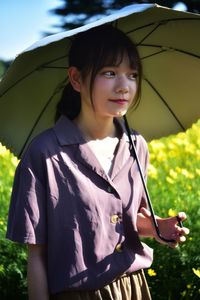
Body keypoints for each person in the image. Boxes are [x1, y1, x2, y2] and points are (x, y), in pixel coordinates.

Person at [6, 25, 189, 300]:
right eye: (110, 73)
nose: (124, 86)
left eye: (132, 75)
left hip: (133, 288)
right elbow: (37, 256)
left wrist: (156, 226)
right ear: (76, 79)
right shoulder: (44, 153)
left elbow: (124, 218)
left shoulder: (136, 145)